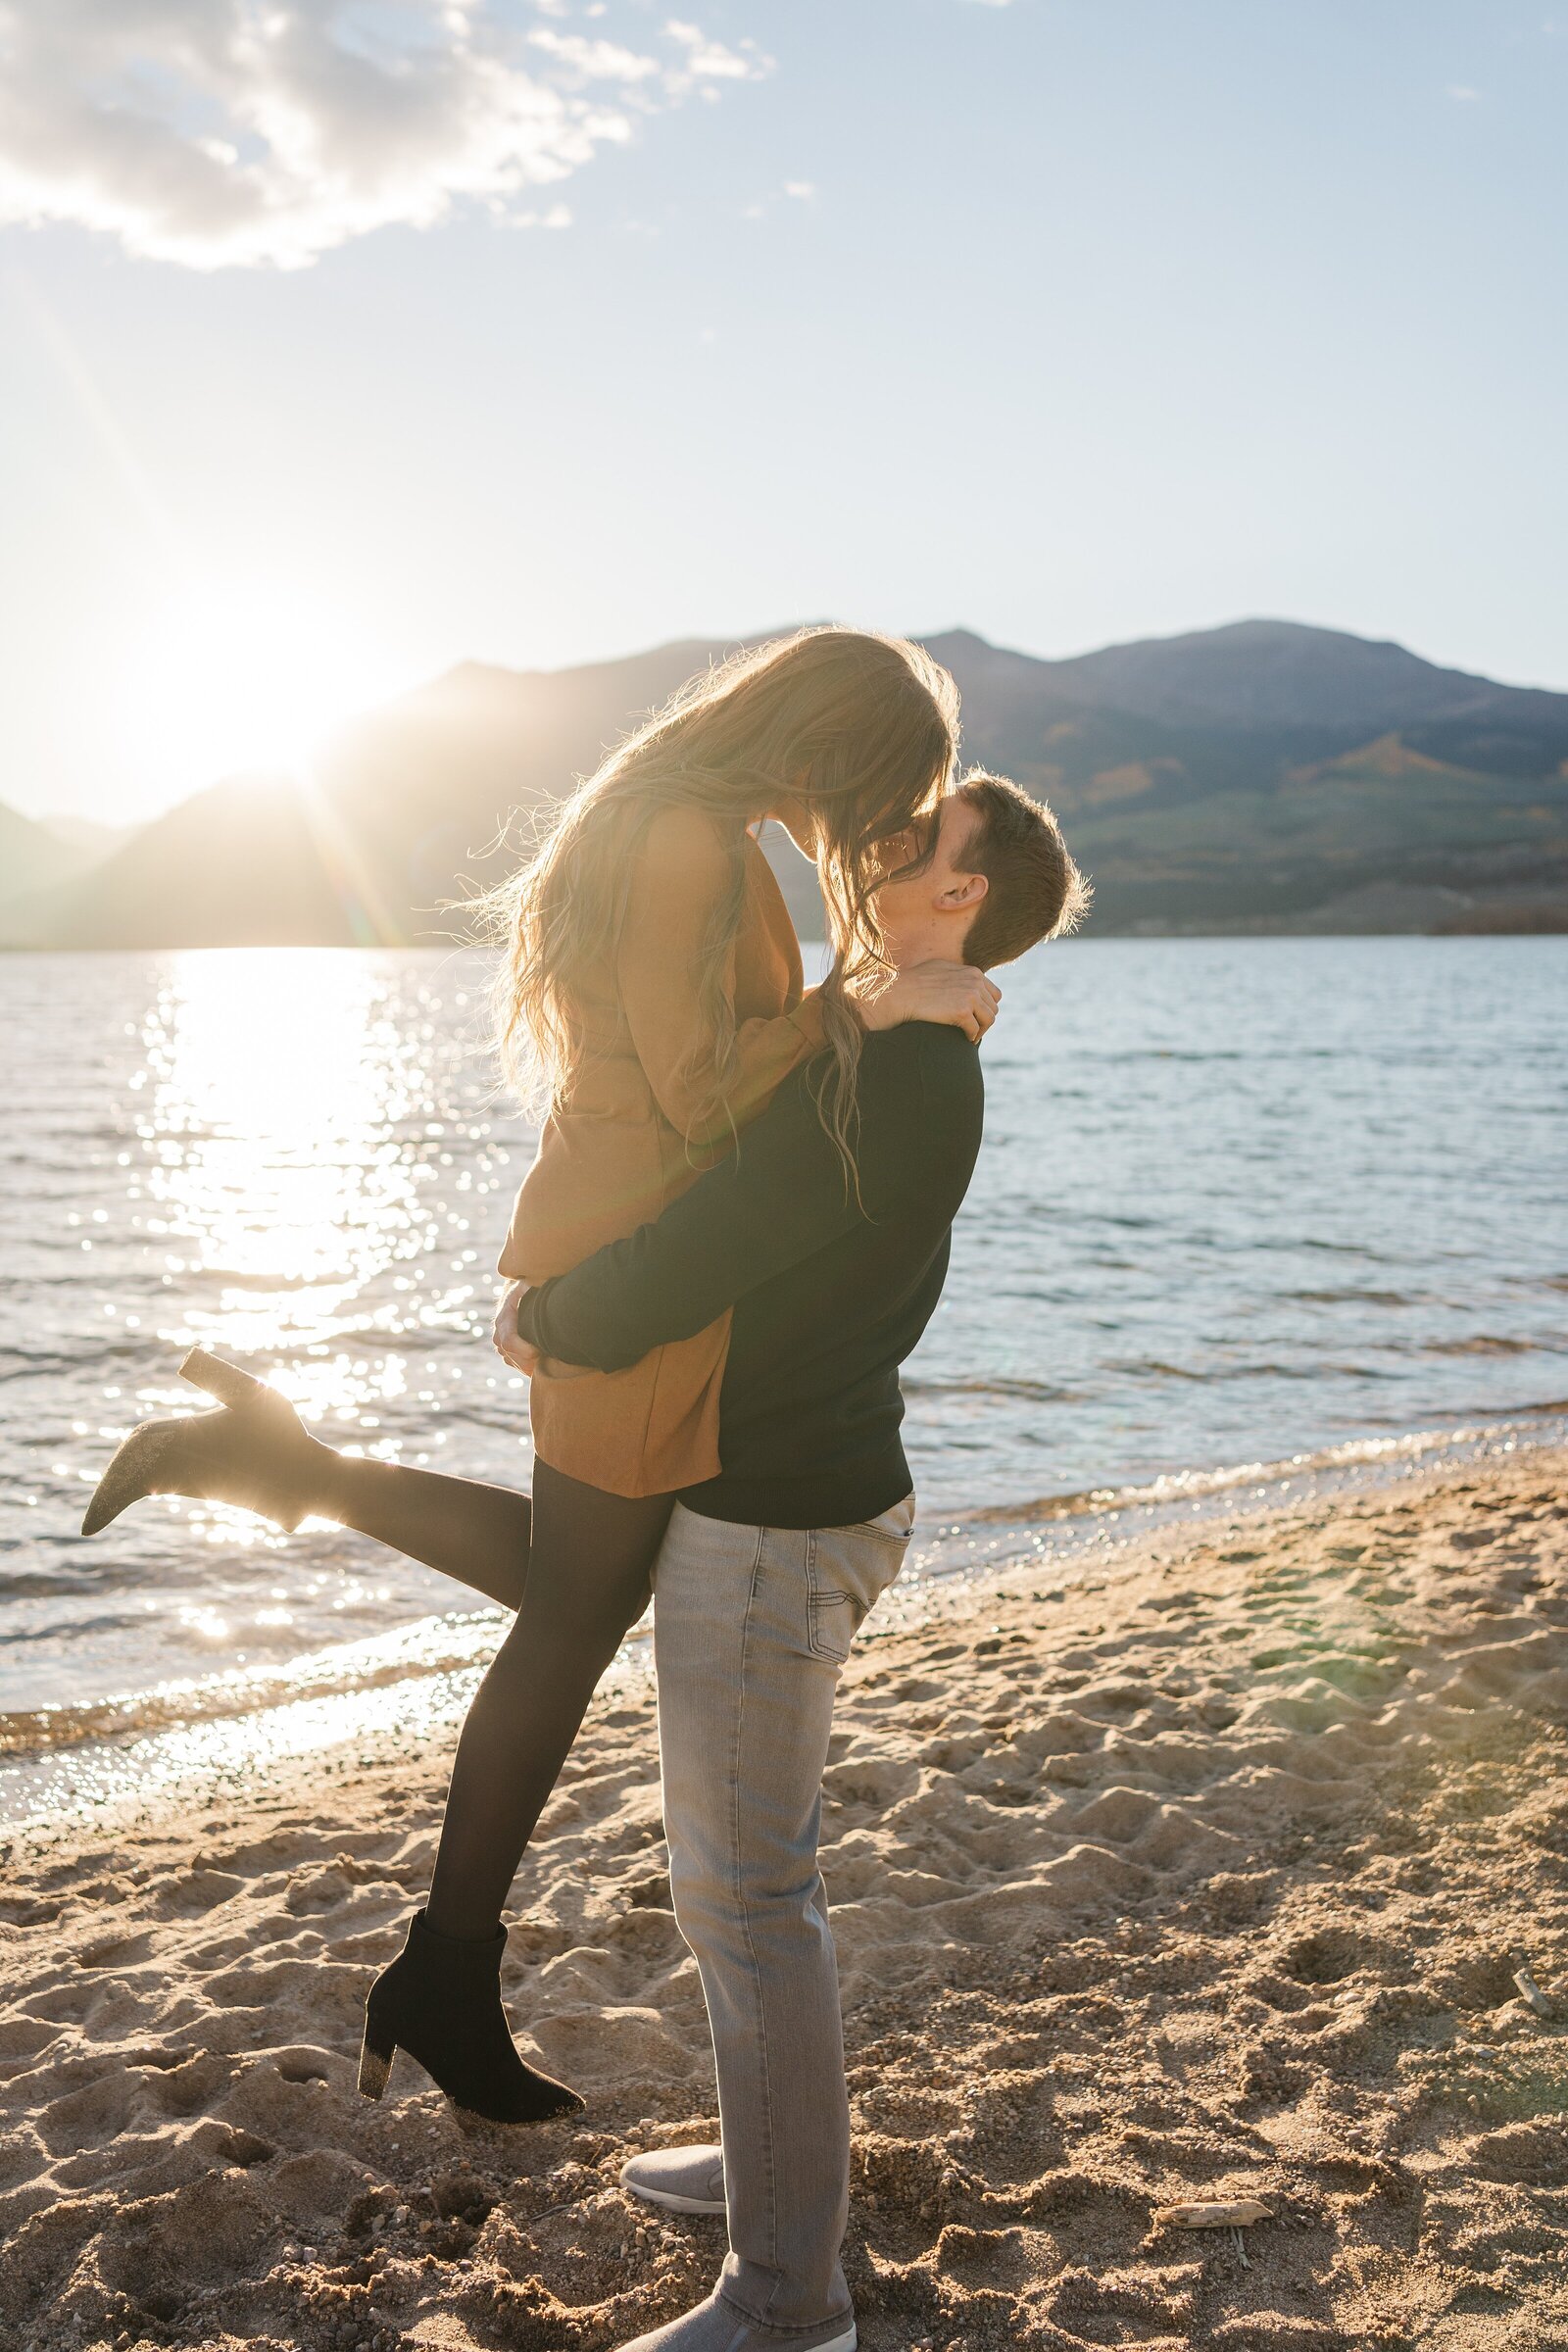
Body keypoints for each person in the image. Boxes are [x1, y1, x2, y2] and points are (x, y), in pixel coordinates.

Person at [81, 627, 997, 2124]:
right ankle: (442, 1966)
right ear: (828, 742)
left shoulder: (686, 825)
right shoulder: (687, 843)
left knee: (580, 1593)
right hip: (625, 1269)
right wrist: (862, 1010)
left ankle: (292, 1484)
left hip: (618, 1242)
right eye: (886, 787)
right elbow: (701, 1086)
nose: (878, 827)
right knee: (574, 1613)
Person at [491, 772, 1089, 2352]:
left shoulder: (906, 1076)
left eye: (922, 838)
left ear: (962, 895)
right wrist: (918, 994)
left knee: (750, 1899)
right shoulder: (900, 1034)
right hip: (791, 1500)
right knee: (749, 1888)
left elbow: (718, 1237)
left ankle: (786, 2300)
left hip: (779, 1522)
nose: (887, 843)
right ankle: (770, 2171)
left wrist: (551, 1316)